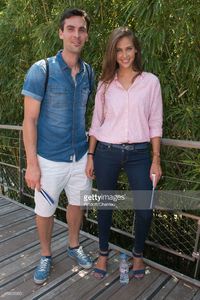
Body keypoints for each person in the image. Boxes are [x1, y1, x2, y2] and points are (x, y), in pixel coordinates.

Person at [22, 8, 94, 284]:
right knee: (45, 211)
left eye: (82, 29)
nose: (77, 34)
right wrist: (32, 164)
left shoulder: (88, 72)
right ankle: (45, 254)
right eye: (71, 28)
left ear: (86, 35)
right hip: (49, 159)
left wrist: (90, 154)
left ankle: (74, 245)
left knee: (77, 204)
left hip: (79, 157)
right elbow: (29, 120)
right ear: (61, 33)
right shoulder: (42, 70)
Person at [86, 27, 163, 279]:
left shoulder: (150, 82)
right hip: (106, 151)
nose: (124, 54)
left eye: (128, 48)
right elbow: (97, 123)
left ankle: (138, 255)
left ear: (136, 50)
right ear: (113, 53)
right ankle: (103, 253)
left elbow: (155, 122)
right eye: (119, 50)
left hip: (140, 154)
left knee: (144, 209)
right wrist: (90, 156)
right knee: (105, 204)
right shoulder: (105, 85)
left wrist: (155, 159)